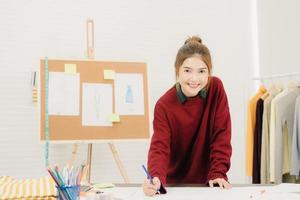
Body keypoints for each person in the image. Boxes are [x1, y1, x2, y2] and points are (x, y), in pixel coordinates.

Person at [142, 36, 232, 196]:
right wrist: (155, 177)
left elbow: (221, 136)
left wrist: (218, 172)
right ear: (177, 71)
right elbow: (159, 147)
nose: (194, 79)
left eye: (202, 71)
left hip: (208, 184)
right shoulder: (164, 105)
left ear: (209, 72)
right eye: (187, 70)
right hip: (173, 187)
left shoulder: (216, 89)